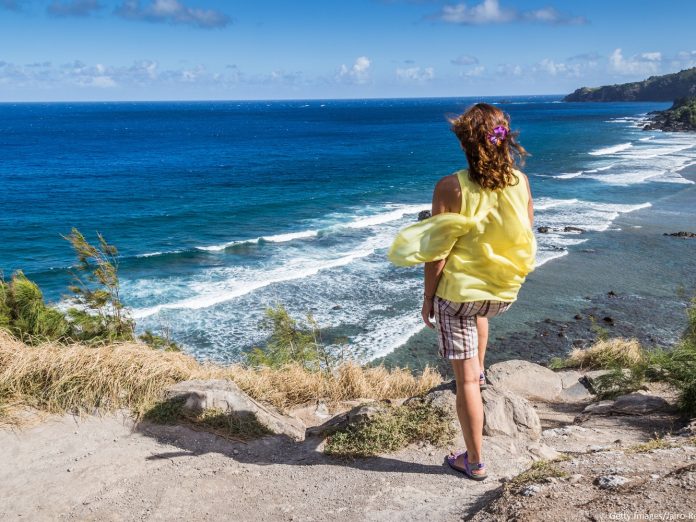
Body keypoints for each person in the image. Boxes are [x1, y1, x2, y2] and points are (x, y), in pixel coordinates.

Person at [387, 102, 536, 481]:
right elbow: (525, 229)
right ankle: (482, 371)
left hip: (459, 295)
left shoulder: (451, 186)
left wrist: (427, 298)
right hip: (502, 291)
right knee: (477, 313)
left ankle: (474, 460)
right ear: (503, 139)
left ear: (466, 143)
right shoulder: (520, 181)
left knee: (464, 380)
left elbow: (436, 252)